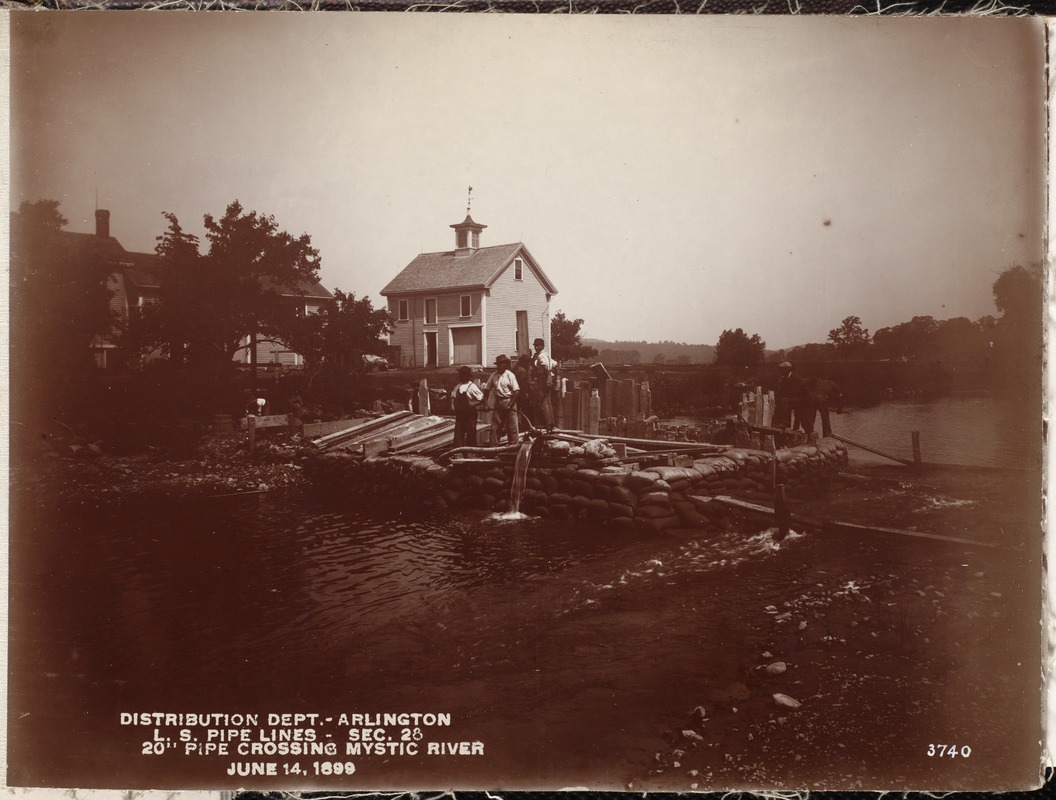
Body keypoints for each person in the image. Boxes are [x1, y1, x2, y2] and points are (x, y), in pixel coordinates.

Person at [484, 354, 520, 445]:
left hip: (510, 401)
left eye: (502, 364)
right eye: (499, 364)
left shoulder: (510, 375)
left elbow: (516, 391)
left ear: (505, 364)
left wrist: (510, 403)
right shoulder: (493, 375)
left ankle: (513, 449)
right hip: (499, 402)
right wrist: (485, 403)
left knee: (512, 427)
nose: (500, 366)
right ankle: (493, 449)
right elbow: (487, 390)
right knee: (495, 427)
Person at [451, 366, 484, 447]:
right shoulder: (458, 385)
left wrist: (472, 404)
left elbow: (481, 398)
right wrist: (452, 405)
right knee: (458, 434)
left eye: (461, 374)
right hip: (460, 415)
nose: (459, 376)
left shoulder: (472, 386)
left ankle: (471, 454)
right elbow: (453, 396)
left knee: (471, 434)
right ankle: (458, 453)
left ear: (466, 375)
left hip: (470, 415)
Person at [530, 337, 556, 430]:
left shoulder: (541, 356)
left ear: (542, 346)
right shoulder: (547, 355)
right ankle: (551, 423)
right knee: (548, 401)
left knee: (542, 402)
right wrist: (553, 377)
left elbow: (545, 368)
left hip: (543, 378)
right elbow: (555, 364)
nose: (536, 347)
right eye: (535, 346)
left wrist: (546, 378)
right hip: (548, 378)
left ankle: (548, 424)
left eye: (538, 346)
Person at [774, 361, 806, 430]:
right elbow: (782, 391)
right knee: (780, 400)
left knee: (784, 400)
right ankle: (780, 422)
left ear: (787, 370)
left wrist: (784, 397)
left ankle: (784, 422)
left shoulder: (795, 378)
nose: (780, 371)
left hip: (801, 398)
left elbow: (795, 392)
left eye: (781, 369)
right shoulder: (785, 378)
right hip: (793, 398)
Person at [514, 353, 534, 425]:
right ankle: (525, 426)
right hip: (521, 393)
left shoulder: (515, 368)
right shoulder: (523, 371)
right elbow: (523, 384)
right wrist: (527, 392)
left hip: (514, 392)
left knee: (516, 410)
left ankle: (517, 424)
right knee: (526, 410)